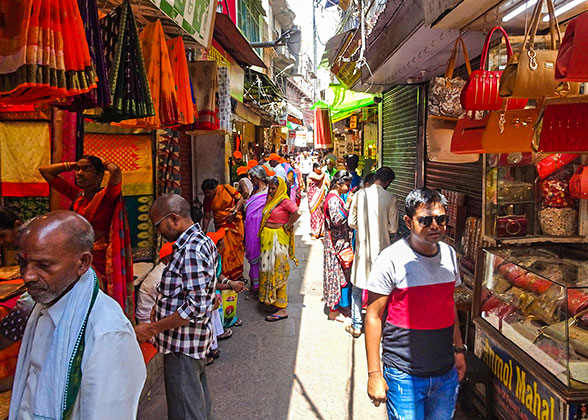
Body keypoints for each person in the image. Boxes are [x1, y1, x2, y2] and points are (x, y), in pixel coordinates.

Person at [10, 211, 146, 420]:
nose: (27, 275)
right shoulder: (41, 305)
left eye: (44, 265)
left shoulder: (106, 332)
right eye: (23, 263)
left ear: (82, 263)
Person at [365, 188, 466, 420]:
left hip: (445, 372)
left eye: (441, 219)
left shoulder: (450, 255)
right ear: (409, 222)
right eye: (425, 220)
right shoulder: (390, 259)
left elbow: (448, 304)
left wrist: (459, 350)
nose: (434, 226)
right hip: (403, 375)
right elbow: (373, 315)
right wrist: (374, 373)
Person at [135, 194, 217, 420]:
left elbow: (194, 307)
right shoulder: (200, 241)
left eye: (157, 224)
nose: (157, 231)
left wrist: (152, 328)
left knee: (185, 410)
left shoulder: (190, 249)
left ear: (173, 219)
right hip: (190, 342)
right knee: (196, 403)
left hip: (183, 346)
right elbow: (197, 292)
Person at [38, 156, 134, 319]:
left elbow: (116, 171)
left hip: (101, 261)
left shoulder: (107, 196)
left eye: (86, 169)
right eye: (78, 170)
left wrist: (104, 163)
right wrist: (72, 164)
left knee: (98, 303)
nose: (79, 173)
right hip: (77, 258)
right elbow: (45, 171)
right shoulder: (77, 195)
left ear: (99, 176)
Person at [347, 167, 398, 338]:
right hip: (382, 251)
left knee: (356, 289)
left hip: (362, 250)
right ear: (388, 182)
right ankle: (378, 324)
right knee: (381, 289)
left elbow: (351, 222)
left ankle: (356, 325)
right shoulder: (390, 198)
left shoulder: (359, 195)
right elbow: (393, 228)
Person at [258, 177, 300, 322]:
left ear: (280, 188)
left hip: (278, 239)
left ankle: (282, 308)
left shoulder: (284, 200)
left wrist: (287, 225)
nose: (271, 190)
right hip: (267, 239)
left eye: (274, 188)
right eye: (270, 188)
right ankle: (272, 300)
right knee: (267, 270)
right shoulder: (271, 200)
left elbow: (297, 212)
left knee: (278, 271)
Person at [323, 170, 354, 323]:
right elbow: (337, 220)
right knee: (335, 275)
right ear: (338, 184)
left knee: (340, 275)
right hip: (335, 244)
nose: (348, 188)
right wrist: (347, 204)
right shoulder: (334, 199)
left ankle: (338, 306)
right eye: (347, 185)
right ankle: (333, 311)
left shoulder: (334, 197)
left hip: (337, 242)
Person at [201, 179, 245, 282]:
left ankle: (238, 275)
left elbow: (240, 199)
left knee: (236, 248)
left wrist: (234, 212)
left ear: (215, 188)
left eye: (209, 192)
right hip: (221, 226)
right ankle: (226, 275)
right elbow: (207, 216)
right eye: (205, 192)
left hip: (235, 223)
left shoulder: (227, 188)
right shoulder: (207, 200)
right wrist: (203, 231)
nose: (207, 194)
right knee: (224, 250)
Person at [135, 241, 174, 324]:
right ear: (168, 258)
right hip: (148, 324)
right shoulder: (160, 276)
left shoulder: (166, 271)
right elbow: (169, 305)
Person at [245, 166, 270, 295]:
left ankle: (262, 286)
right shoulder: (254, 191)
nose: (252, 180)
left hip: (261, 228)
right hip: (250, 228)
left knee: (261, 256)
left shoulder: (269, 191)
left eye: (253, 178)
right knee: (252, 254)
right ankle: (255, 284)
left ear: (258, 177)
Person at [307, 163, 328, 239]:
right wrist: (324, 173)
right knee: (314, 214)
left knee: (321, 214)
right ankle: (314, 233)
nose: (320, 168)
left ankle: (321, 231)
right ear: (314, 168)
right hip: (313, 197)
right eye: (318, 167)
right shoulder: (312, 174)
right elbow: (319, 178)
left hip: (321, 196)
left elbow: (327, 182)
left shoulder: (323, 175)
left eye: (320, 167)